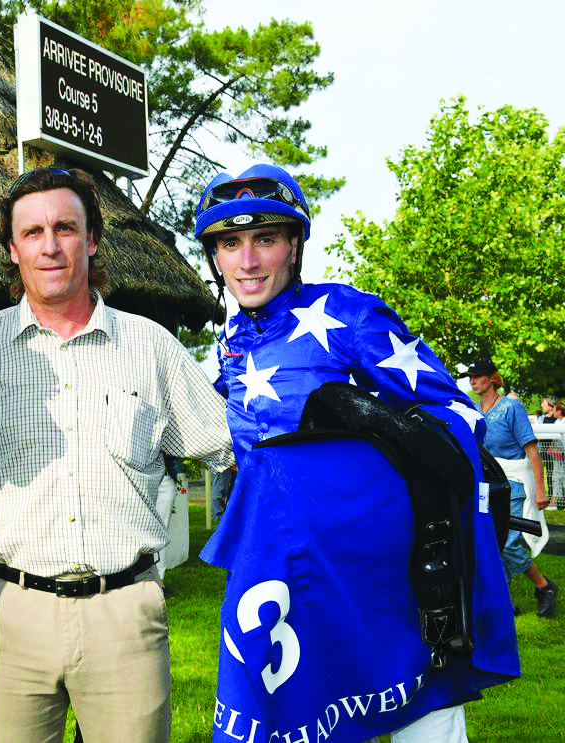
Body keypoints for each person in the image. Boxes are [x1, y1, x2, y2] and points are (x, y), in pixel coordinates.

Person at [196, 164, 519, 743]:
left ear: (294, 245)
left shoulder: (348, 314)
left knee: (427, 725)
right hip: (285, 580)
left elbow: (454, 421)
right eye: (230, 243)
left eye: (265, 239)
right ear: (215, 256)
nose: (248, 261)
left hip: (384, 584)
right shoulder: (226, 347)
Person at [0, 166, 234, 743]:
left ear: (91, 239)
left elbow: (232, 448)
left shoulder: (151, 347)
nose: (50, 245)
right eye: (32, 233)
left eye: (65, 227)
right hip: (7, 615)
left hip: (124, 615)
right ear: (12, 251)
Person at [467, 357, 557, 616]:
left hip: (515, 484)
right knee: (494, 544)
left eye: (478, 375)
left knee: (508, 544)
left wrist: (541, 490)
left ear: (492, 378)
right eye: (471, 376)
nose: (473, 380)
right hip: (488, 486)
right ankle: (506, 604)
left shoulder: (511, 408)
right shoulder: (474, 411)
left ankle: (544, 586)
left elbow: (532, 450)